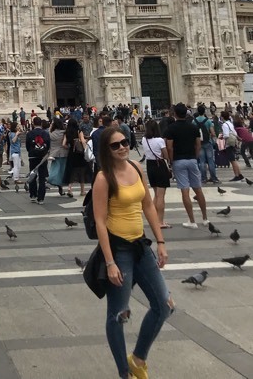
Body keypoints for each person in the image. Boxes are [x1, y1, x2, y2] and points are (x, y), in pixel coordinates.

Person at [94, 126, 172, 379]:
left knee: (164, 305)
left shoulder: (137, 168)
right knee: (118, 314)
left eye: (125, 142)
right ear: (106, 150)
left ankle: (138, 359)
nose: (122, 147)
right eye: (115, 145)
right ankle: (124, 373)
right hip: (118, 251)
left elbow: (147, 205)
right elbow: (100, 222)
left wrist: (160, 241)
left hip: (141, 246)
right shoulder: (103, 179)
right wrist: (109, 262)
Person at [165, 102, 210, 229]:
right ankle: (205, 218)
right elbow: (198, 145)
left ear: (174, 114)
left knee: (185, 191)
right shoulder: (194, 127)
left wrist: (171, 161)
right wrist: (195, 157)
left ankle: (192, 221)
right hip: (192, 160)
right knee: (198, 189)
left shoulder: (171, 129)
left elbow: (169, 147)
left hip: (179, 161)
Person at [141, 119, 172, 229]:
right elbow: (165, 155)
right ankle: (160, 221)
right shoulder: (159, 140)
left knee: (156, 194)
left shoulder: (144, 139)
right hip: (159, 165)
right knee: (161, 196)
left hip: (150, 166)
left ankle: (154, 219)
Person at [62, 117, 90, 199]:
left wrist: (70, 148)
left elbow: (63, 144)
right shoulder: (79, 131)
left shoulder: (66, 132)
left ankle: (69, 189)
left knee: (72, 171)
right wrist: (86, 150)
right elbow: (83, 141)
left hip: (71, 153)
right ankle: (82, 190)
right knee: (81, 171)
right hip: (79, 154)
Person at [25, 117, 50, 204]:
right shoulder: (46, 133)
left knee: (33, 175)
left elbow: (27, 146)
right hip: (42, 158)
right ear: (41, 124)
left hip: (33, 157)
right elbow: (48, 145)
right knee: (42, 178)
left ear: (33, 124)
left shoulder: (29, 133)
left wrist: (31, 152)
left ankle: (33, 195)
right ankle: (41, 198)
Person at [193, 104, 219, 184]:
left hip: (199, 143)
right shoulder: (208, 121)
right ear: (204, 111)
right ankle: (214, 178)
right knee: (211, 161)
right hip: (208, 142)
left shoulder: (194, 121)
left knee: (202, 161)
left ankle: (203, 178)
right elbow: (213, 133)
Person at [220, 110, 243, 181]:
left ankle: (236, 175)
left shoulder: (224, 125)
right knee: (234, 159)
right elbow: (234, 132)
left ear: (223, 117)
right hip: (233, 141)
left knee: (232, 160)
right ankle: (239, 174)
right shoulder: (230, 123)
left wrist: (222, 137)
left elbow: (226, 135)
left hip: (229, 143)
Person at [48, 118, 67, 195]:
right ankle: (61, 185)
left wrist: (50, 127)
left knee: (55, 169)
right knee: (62, 170)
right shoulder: (64, 133)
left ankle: (53, 180)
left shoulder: (51, 133)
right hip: (64, 152)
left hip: (54, 153)